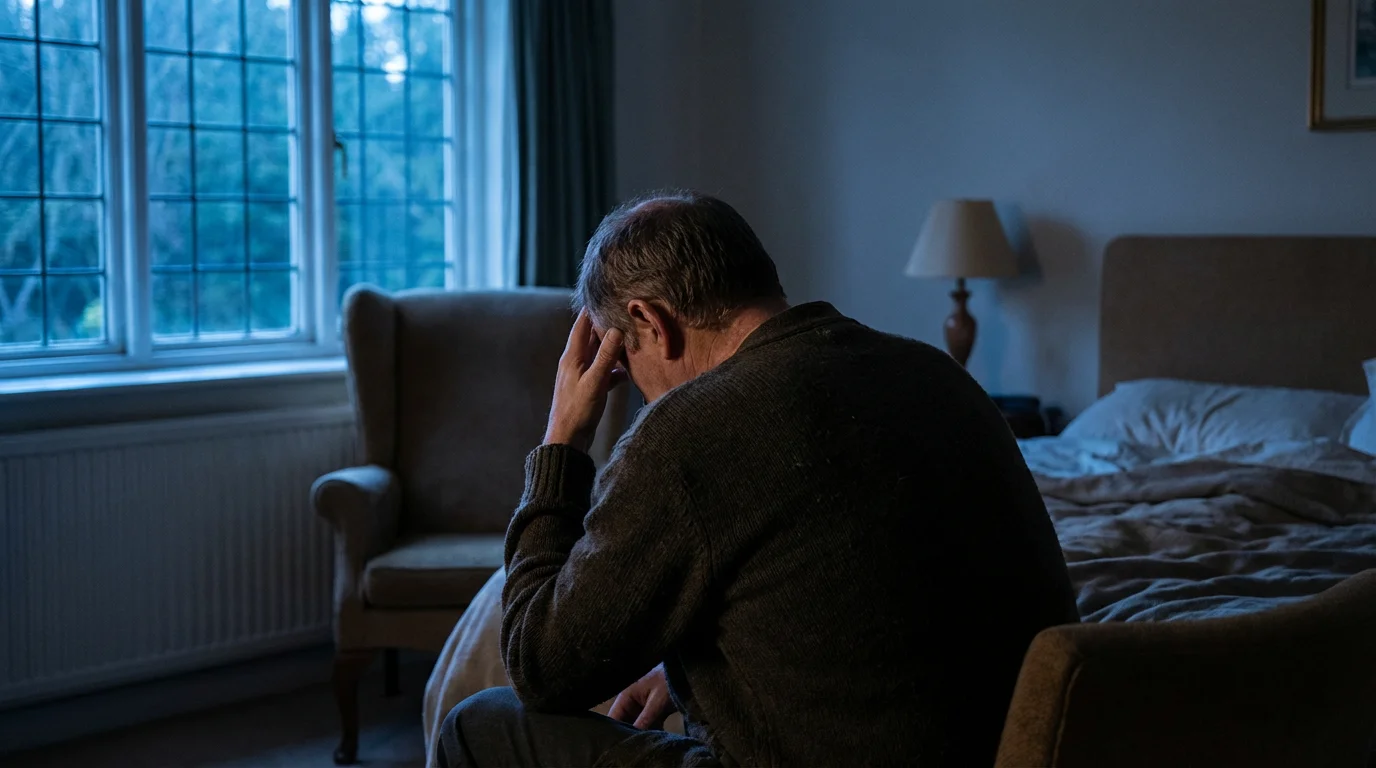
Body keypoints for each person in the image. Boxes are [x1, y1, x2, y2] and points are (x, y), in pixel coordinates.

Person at [436, 190, 1078, 768]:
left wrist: (561, 442)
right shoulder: (937, 373)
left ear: (652, 324)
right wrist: (689, 671)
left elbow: (539, 664)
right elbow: (862, 576)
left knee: (479, 725)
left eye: (624, 362)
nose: (635, 389)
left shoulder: (687, 434)